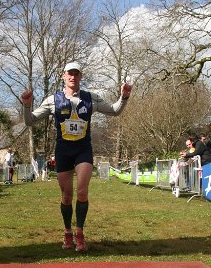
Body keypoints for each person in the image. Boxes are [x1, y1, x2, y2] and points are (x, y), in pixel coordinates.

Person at [21, 61, 132, 252]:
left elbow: (114, 111)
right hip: (63, 151)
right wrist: (26, 105)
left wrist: (124, 97)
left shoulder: (91, 98)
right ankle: (67, 232)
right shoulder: (52, 100)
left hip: (83, 150)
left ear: (80, 77)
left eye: (76, 74)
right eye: (69, 74)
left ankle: (79, 233)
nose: (73, 77)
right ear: (63, 76)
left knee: (82, 191)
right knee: (66, 195)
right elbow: (30, 121)